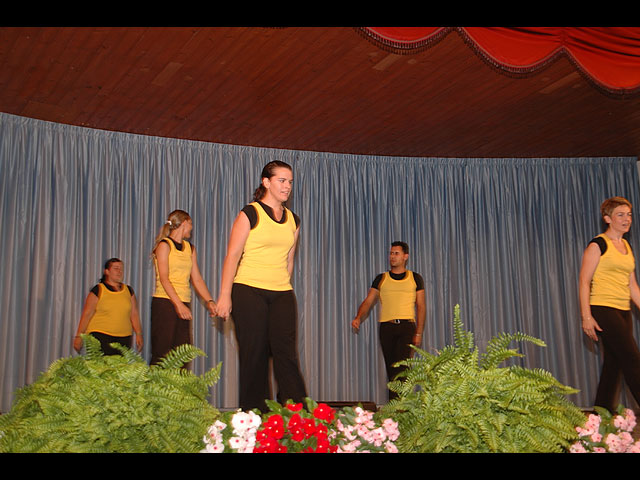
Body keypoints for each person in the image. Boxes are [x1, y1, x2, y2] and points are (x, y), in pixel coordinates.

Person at [216, 160, 307, 412]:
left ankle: (298, 414)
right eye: (281, 180)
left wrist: (283, 285)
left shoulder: (293, 220)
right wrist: (224, 295)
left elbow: (289, 260)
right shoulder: (250, 213)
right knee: (254, 355)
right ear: (266, 182)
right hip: (248, 289)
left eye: (290, 182)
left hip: (281, 292)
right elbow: (232, 255)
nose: (287, 186)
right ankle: (255, 415)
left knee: (286, 354)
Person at [579, 196, 640, 412]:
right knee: (632, 360)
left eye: (629, 215)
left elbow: (632, 286)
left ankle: (599, 415)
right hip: (603, 308)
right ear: (607, 218)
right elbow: (584, 281)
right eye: (620, 215)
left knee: (613, 365)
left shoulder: (626, 246)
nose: (626, 219)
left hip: (623, 310)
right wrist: (586, 317)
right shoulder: (598, 245)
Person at [352, 241, 426, 400]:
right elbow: (369, 301)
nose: (392, 256)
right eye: (391, 253)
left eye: (396, 253)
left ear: (405, 256)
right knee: (391, 369)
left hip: (407, 327)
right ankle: (394, 408)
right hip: (387, 328)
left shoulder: (415, 278)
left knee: (402, 370)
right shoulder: (381, 278)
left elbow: (421, 306)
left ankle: (400, 408)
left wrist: (418, 333)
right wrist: (358, 317)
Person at [150, 209, 216, 366]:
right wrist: (178, 305)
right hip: (165, 302)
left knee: (182, 353)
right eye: (191, 224)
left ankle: (180, 383)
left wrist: (210, 301)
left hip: (183, 302)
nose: (192, 228)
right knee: (162, 353)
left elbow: (197, 279)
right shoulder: (164, 245)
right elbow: (164, 278)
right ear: (184, 223)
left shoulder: (190, 248)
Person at [74, 258, 143, 355]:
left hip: (124, 337)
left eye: (121, 269)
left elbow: (134, 314)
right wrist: (79, 336)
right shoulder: (98, 290)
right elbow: (87, 314)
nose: (119, 272)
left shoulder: (128, 291)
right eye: (116, 268)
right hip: (100, 335)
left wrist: (139, 334)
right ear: (107, 271)